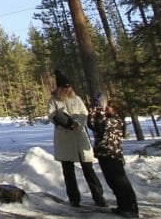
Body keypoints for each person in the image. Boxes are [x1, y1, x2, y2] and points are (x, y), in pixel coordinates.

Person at [48, 70, 106, 208]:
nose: (68, 89)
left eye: (70, 87)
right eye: (65, 87)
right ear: (60, 88)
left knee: (88, 169)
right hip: (64, 138)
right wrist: (62, 121)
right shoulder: (53, 100)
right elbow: (51, 115)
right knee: (68, 171)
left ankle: (98, 197)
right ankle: (74, 199)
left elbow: (84, 113)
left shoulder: (77, 99)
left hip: (79, 136)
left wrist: (77, 122)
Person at [88, 94, 140, 218]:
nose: (106, 109)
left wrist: (98, 112)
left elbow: (102, 125)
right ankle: (123, 206)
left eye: (109, 107)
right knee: (112, 182)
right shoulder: (106, 118)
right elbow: (93, 126)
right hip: (104, 154)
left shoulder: (115, 120)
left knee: (120, 182)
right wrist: (93, 114)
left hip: (112, 154)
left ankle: (131, 208)